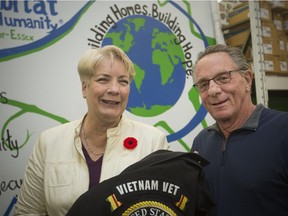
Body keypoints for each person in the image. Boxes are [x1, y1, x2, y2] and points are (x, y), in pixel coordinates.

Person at [14, 45, 169, 216]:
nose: (114, 89)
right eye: (103, 79)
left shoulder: (154, 142)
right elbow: (27, 212)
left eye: (123, 81)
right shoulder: (49, 142)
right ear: (84, 88)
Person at [191, 44, 288, 216]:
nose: (213, 90)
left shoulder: (283, 131)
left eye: (223, 78)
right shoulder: (201, 142)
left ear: (248, 80)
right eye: (204, 84)